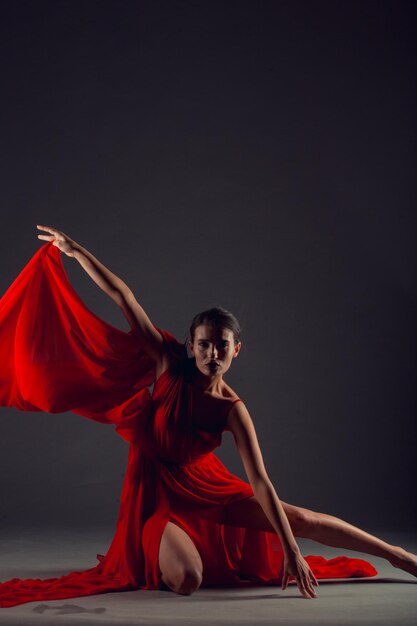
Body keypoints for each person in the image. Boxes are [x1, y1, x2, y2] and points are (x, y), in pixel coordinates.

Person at [0, 225, 415, 608]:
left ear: (236, 350)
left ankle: (399, 555)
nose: (211, 354)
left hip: (206, 487)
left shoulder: (232, 409)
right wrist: (76, 252)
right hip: (156, 493)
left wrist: (291, 550)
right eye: (203, 345)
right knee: (187, 580)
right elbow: (125, 297)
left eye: (221, 346)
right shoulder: (168, 363)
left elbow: (260, 482)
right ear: (190, 346)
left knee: (300, 519)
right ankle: (164, 549)